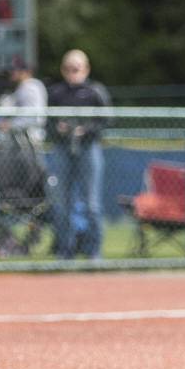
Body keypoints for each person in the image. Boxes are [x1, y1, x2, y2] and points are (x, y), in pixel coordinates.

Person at [46, 49, 111, 259]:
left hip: (88, 148)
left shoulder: (95, 91)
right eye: (68, 68)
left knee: (92, 203)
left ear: (86, 69)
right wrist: (59, 129)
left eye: (77, 68)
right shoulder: (56, 93)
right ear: (63, 70)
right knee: (62, 203)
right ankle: (65, 251)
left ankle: (94, 252)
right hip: (63, 149)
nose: (73, 73)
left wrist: (86, 129)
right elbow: (47, 123)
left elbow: (107, 119)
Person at [0, 56, 47, 147]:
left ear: (24, 71)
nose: (11, 73)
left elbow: (32, 117)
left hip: (31, 137)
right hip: (22, 137)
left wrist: (10, 124)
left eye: (14, 70)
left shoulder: (31, 87)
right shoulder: (23, 87)